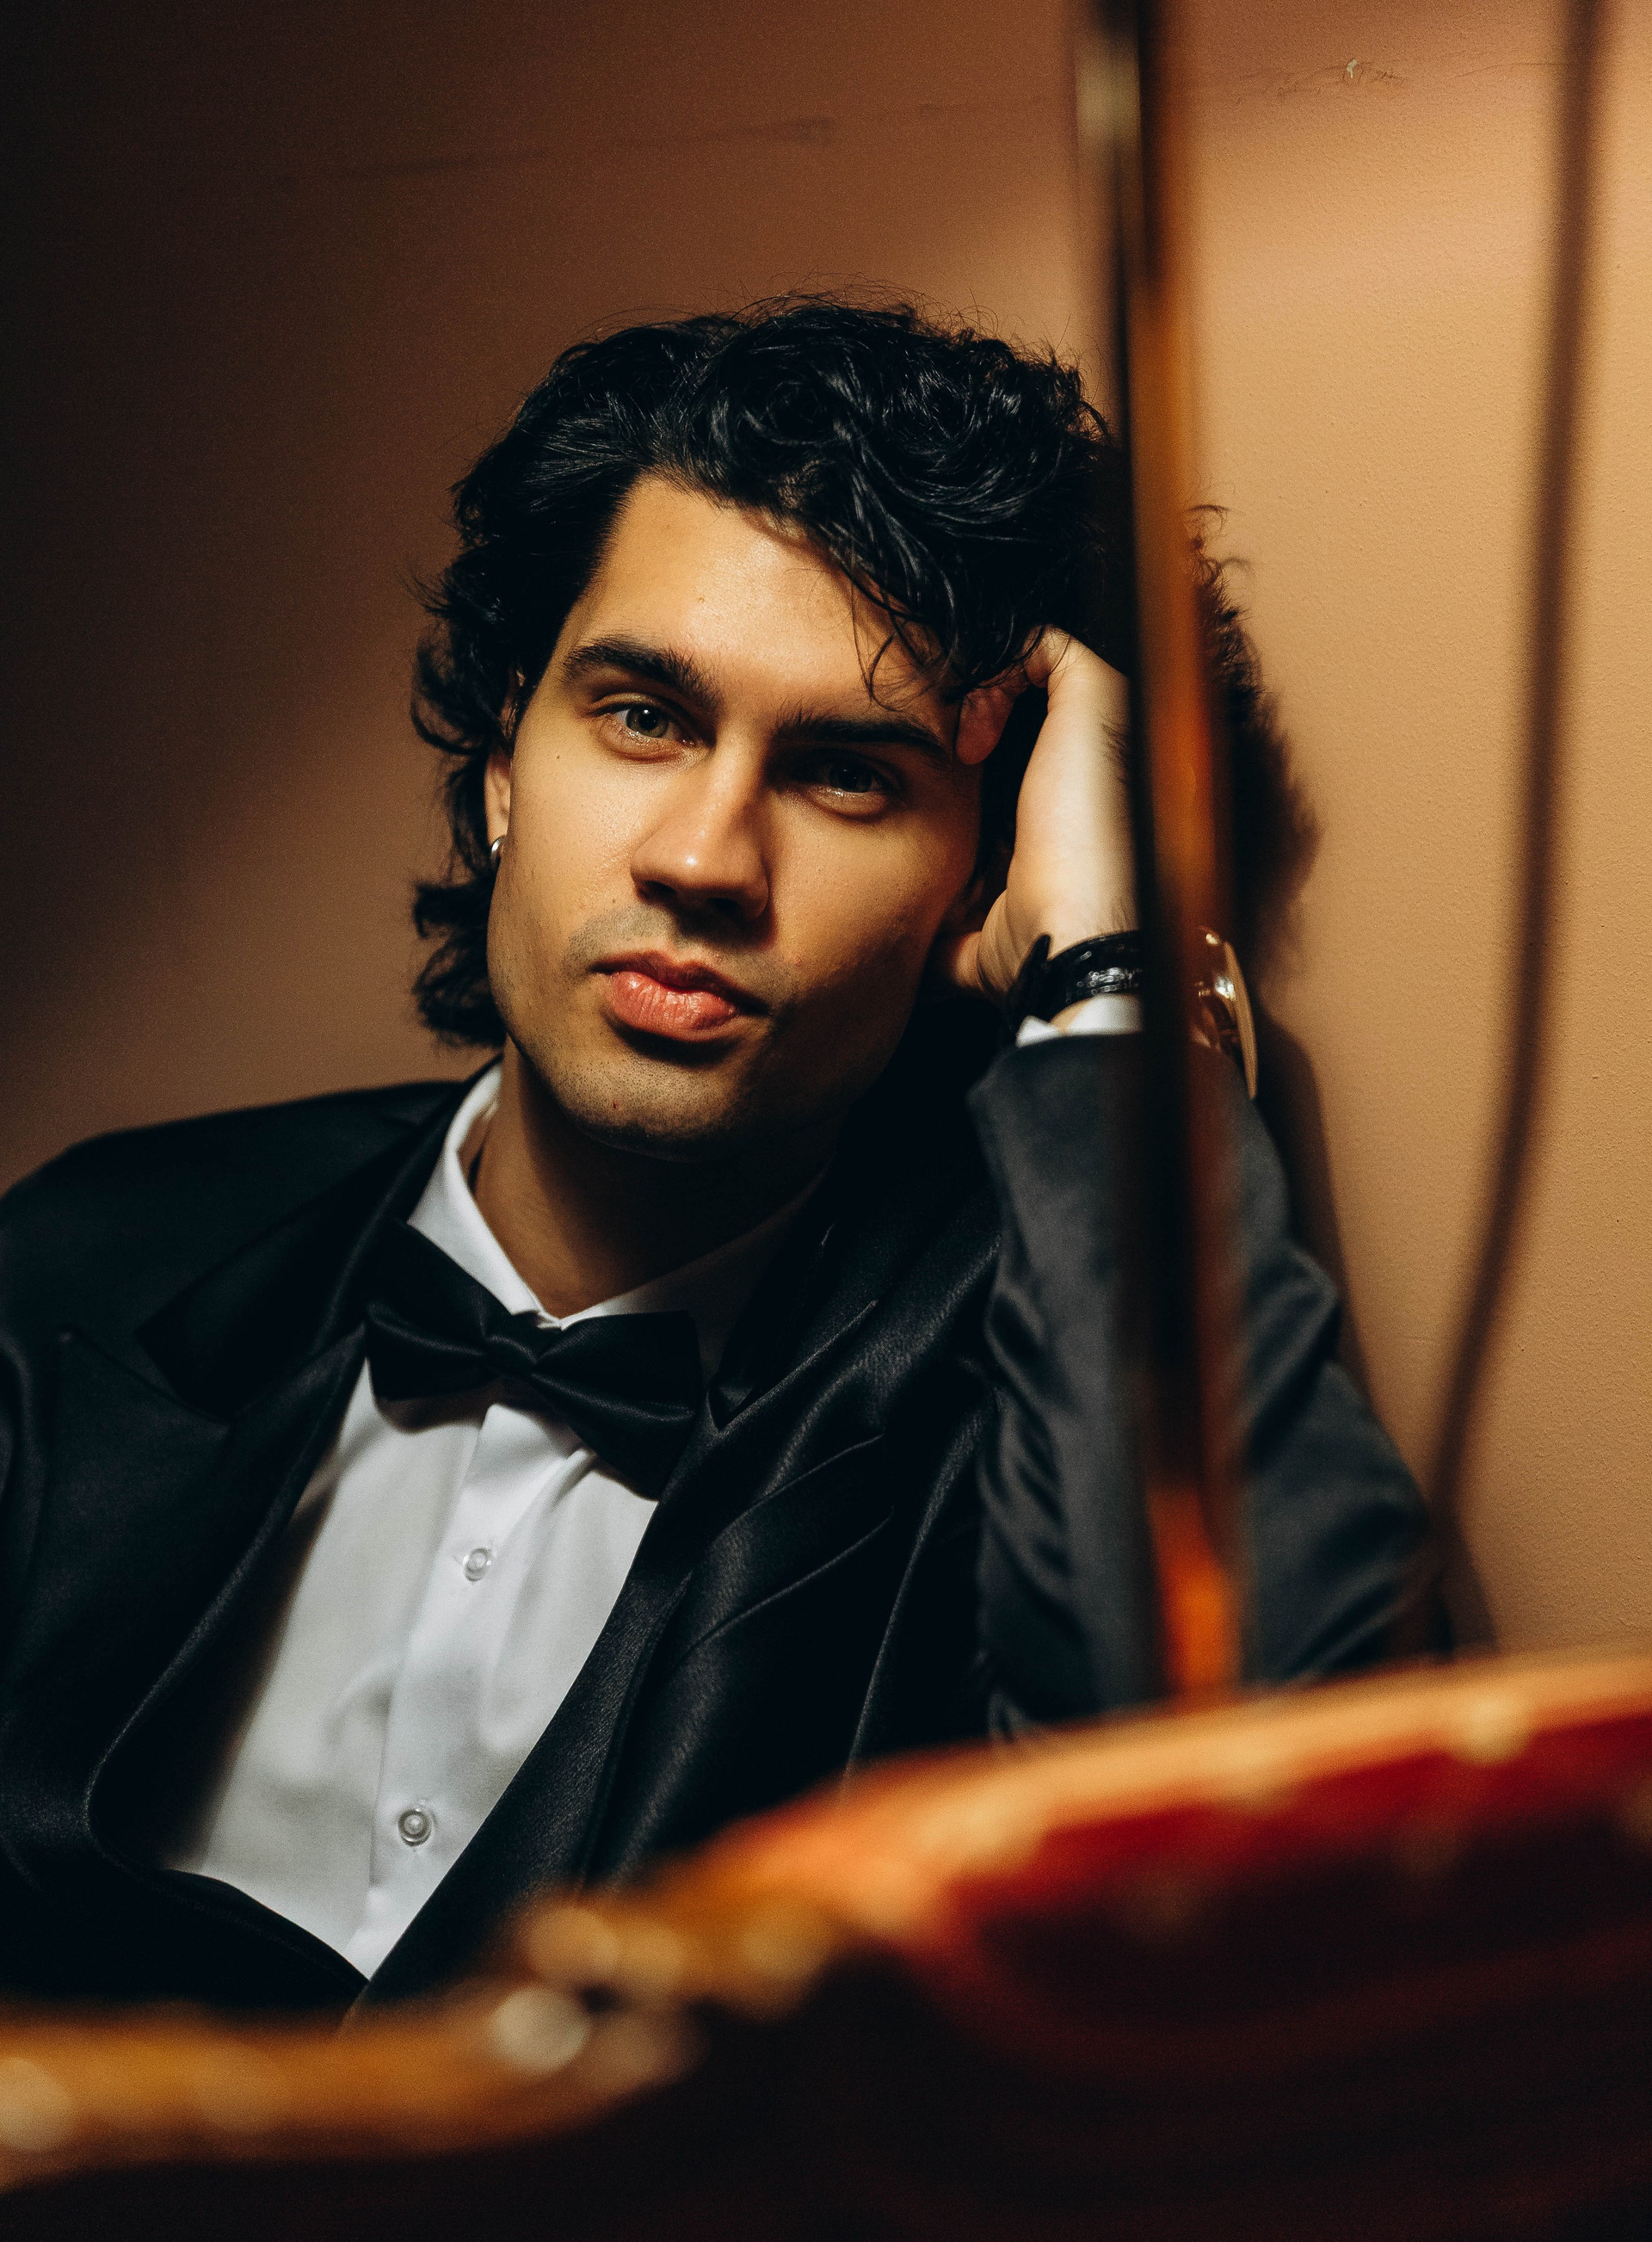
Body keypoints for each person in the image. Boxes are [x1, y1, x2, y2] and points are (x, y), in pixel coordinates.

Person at [0, 300, 1426, 2014]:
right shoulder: (94, 1259)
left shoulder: (1026, 1418)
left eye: (844, 776)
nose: (702, 856)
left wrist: (1110, 981)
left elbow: (1290, 1821)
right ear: (506, 764)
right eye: (644, 716)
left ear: (981, 877)